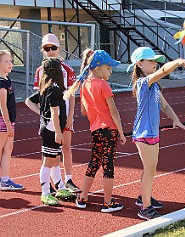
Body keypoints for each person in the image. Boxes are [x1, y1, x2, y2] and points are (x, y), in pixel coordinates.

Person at [127, 47, 185, 220]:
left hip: (153, 132)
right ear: (140, 64)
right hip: (144, 132)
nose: (155, 64)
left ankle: (144, 197)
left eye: (155, 61)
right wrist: (177, 62)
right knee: (149, 169)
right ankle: (145, 208)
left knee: (151, 168)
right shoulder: (143, 83)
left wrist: (175, 119)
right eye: (151, 61)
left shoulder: (154, 86)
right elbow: (164, 70)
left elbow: (164, 106)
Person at [64, 49, 127, 213]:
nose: (111, 71)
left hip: (95, 130)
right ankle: (107, 203)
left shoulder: (84, 85)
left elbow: (84, 112)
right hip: (109, 130)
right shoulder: (104, 85)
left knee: (94, 162)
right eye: (108, 68)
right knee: (108, 165)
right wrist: (121, 132)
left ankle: (83, 197)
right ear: (98, 68)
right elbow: (114, 111)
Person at [33, 33, 80, 193]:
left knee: (65, 148)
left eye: (53, 47)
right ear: (42, 50)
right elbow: (38, 97)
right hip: (50, 120)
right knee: (50, 152)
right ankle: (52, 185)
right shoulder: (40, 71)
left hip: (64, 116)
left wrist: (70, 115)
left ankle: (68, 180)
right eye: (47, 48)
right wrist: (43, 114)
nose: (50, 51)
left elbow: (72, 94)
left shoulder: (67, 69)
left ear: (59, 49)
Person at [25, 58, 76, 205]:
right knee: (48, 161)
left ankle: (60, 187)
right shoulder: (54, 90)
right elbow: (54, 113)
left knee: (55, 160)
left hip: (52, 129)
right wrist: (58, 132)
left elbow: (29, 101)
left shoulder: (47, 88)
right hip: (52, 130)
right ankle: (45, 192)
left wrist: (41, 113)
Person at [0, 50, 24, 191]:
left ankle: (5, 179)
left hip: (9, 121)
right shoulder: (1, 83)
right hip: (3, 121)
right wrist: (8, 124)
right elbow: (2, 105)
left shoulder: (7, 80)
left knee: (8, 149)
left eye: (10, 61)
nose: (10, 64)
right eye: (6, 61)